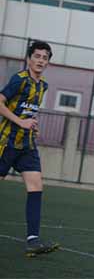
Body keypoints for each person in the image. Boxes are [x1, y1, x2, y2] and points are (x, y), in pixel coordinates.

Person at [0, 41, 60, 257]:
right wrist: (20, 122)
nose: (40, 61)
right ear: (29, 58)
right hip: (6, 143)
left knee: (36, 187)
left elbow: (30, 111)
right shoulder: (19, 80)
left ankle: (33, 240)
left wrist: (32, 124)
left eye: (45, 58)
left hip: (27, 146)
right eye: (37, 56)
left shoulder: (42, 85)